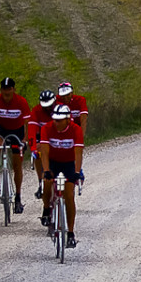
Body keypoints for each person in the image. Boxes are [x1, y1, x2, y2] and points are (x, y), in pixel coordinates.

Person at [0, 77, 31, 213]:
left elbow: (28, 124)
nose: (6, 92)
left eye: (9, 89)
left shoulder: (21, 102)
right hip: (0, 129)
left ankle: (18, 197)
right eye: (4, 89)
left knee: (17, 165)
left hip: (17, 130)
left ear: (13, 89)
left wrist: (25, 141)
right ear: (1, 90)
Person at [39, 104, 84, 249]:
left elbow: (78, 153)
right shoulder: (46, 128)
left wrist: (77, 172)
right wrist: (46, 170)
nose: (56, 123)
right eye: (55, 120)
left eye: (59, 120)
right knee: (46, 182)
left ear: (68, 119)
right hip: (53, 162)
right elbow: (44, 152)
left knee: (69, 195)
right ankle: (46, 208)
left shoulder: (76, 129)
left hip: (69, 164)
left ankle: (70, 233)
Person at [27, 89, 56, 199]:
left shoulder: (61, 108)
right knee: (38, 151)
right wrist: (33, 148)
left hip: (58, 136)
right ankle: (41, 182)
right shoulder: (36, 111)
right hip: (42, 137)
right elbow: (31, 132)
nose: (48, 108)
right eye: (45, 106)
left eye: (50, 105)